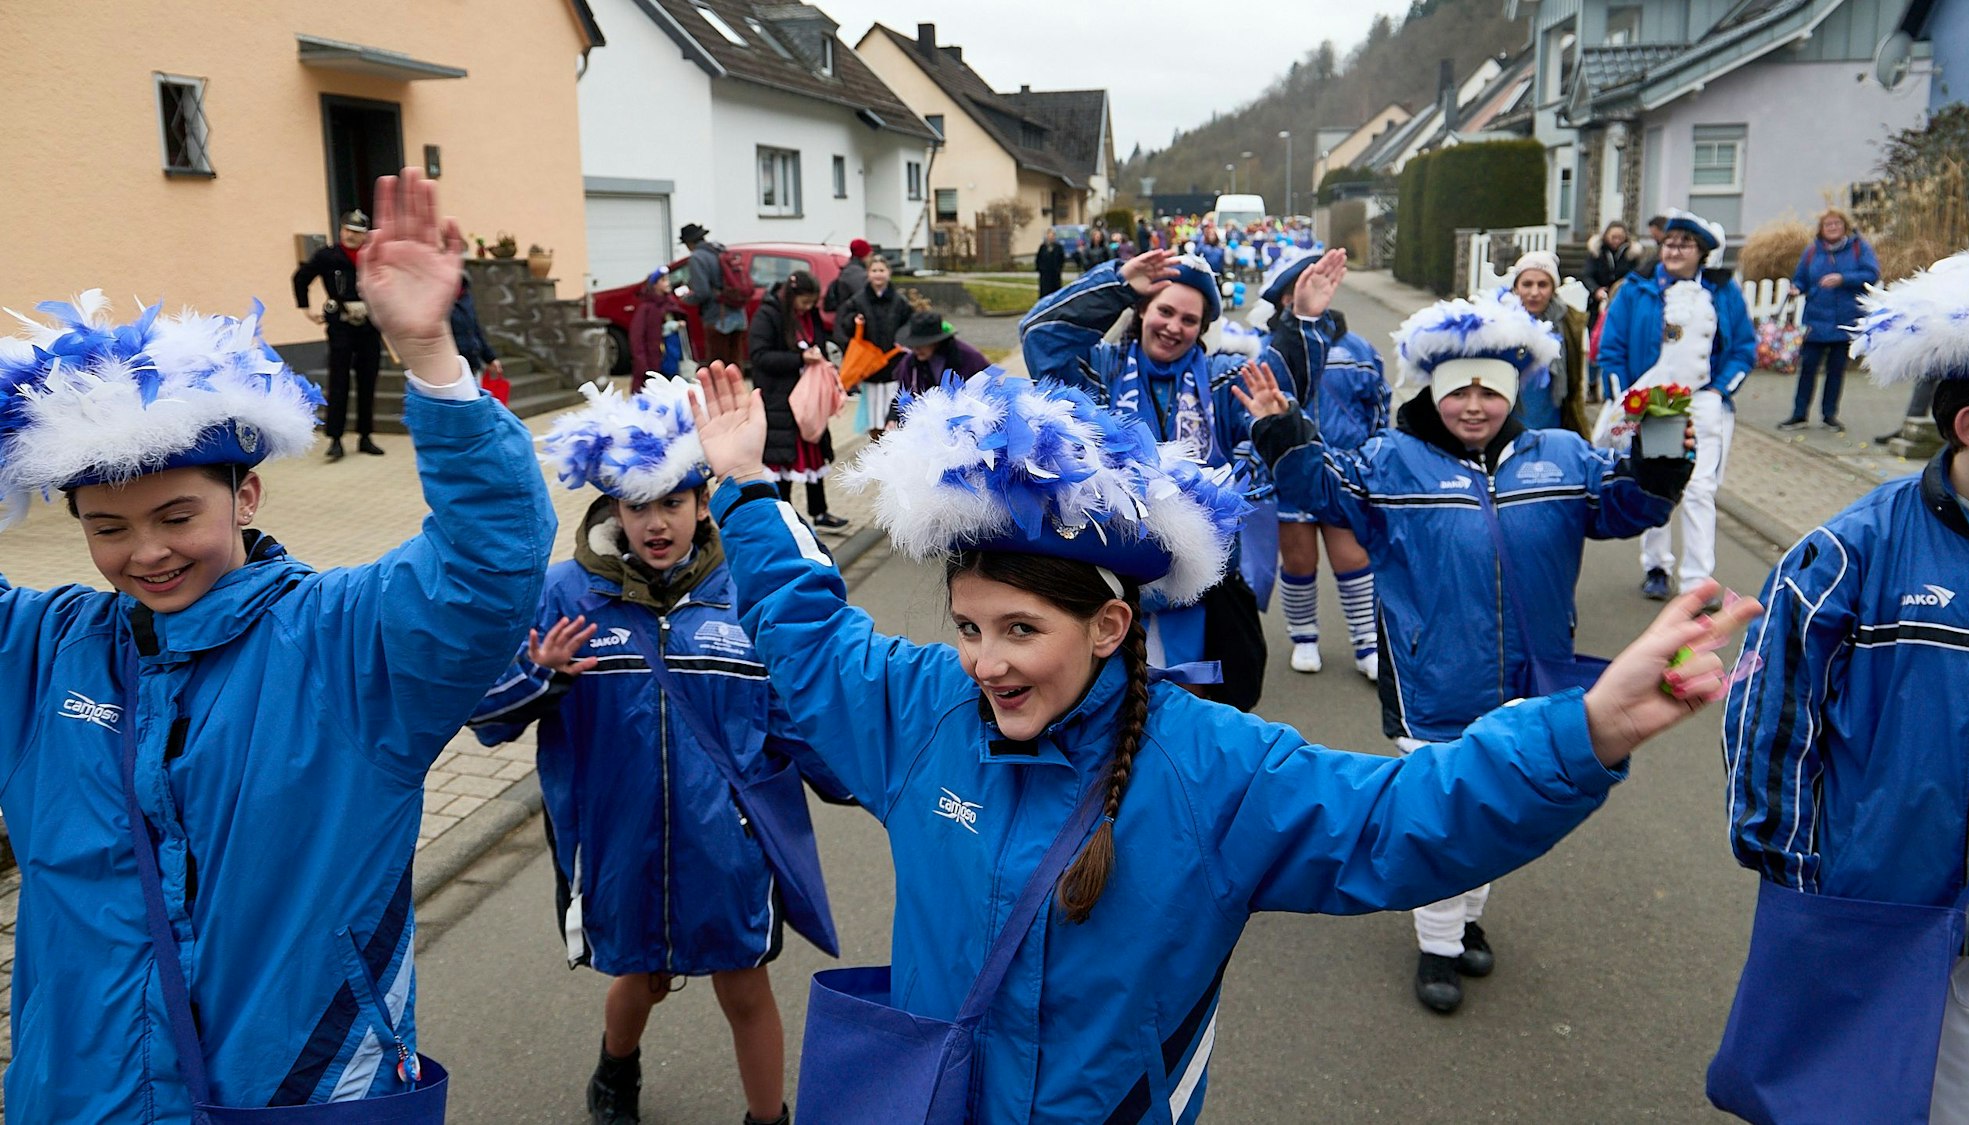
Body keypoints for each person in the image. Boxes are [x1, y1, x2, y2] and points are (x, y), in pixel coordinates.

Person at [681, 359, 1755, 1120]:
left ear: (1109, 629)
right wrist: (739, 481)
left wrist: (1582, 734)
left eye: (1020, 630)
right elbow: (810, 633)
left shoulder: (1209, 766)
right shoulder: (921, 711)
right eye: (965, 627)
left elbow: (1396, 823)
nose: (985, 662)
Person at [0, 167, 556, 1119]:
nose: (146, 552)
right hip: (78, 1088)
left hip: (293, 1085)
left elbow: (487, 565)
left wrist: (428, 353)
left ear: (246, 493)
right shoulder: (47, 647)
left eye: (178, 513)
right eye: (106, 527)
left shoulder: (342, 643)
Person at [1241, 291, 1692, 1015]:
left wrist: (1664, 446)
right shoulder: (1392, 462)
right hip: (1434, 677)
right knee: (1444, 809)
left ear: (1513, 392)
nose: (1474, 405)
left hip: (1533, 671)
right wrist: (1282, 430)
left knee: (1503, 800)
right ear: (1436, 392)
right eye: (1459, 391)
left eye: (1490, 390)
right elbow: (1322, 487)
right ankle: (1439, 944)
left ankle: (1463, 915)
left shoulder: (1561, 457)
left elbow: (1630, 505)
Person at [470, 376, 844, 1125]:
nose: (656, 522)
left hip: (730, 847)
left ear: (703, 502)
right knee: (639, 975)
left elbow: (799, 715)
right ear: (614, 507)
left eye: (673, 501)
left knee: (745, 986)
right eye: (638, 505)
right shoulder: (561, 596)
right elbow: (486, 716)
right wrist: (540, 677)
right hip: (620, 843)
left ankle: (769, 1118)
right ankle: (617, 1069)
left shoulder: (746, 593)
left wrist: (867, 777)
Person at [1721, 250, 1969, 1123]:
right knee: (1843, 1098)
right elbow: (1773, 709)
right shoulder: (1854, 549)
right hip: (1873, 894)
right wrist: (1797, 864)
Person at [1019, 249, 1347, 710]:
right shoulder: (1100, 369)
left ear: (1203, 329)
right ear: (1141, 311)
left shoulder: (1218, 379)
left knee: (1187, 713)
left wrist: (1304, 320)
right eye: (1165, 311)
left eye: (1189, 320)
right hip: (1105, 573)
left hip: (1198, 583)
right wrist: (1118, 283)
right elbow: (1041, 335)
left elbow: (1275, 391)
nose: (1174, 326)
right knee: (1104, 708)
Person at [1598, 207, 1754, 606]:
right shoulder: (1637, 289)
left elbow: (1742, 349)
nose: (1674, 249)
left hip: (1704, 399)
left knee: (1701, 489)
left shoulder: (1723, 291)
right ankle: (1656, 565)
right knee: (1657, 484)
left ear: (1701, 252)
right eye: (1669, 242)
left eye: (1684, 244)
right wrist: (1626, 396)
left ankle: (1698, 582)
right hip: (1658, 403)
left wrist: (1719, 391)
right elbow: (1612, 348)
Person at [1256, 249, 1390, 679]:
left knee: (1352, 558)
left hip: (1345, 469)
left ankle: (1367, 642)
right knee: (1298, 562)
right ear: (1281, 302)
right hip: (1290, 475)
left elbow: (1379, 403)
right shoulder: (1267, 352)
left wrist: (1373, 454)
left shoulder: (1358, 348)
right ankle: (1304, 637)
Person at [747, 269, 847, 530]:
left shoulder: (809, 315)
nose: (808, 307)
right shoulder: (768, 314)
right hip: (780, 400)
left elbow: (820, 344)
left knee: (813, 455)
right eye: (804, 302)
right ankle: (783, 519)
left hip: (808, 400)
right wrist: (799, 359)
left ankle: (820, 512)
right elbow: (759, 357)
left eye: (812, 303)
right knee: (784, 461)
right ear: (792, 297)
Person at [291, 208, 385, 460]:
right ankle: (335, 438)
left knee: (368, 379)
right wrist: (305, 308)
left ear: (365, 236)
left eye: (357, 233)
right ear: (341, 230)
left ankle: (366, 435)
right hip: (341, 324)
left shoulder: (374, 257)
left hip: (369, 324)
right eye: (347, 231)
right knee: (339, 381)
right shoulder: (328, 256)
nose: (351, 236)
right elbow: (301, 278)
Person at [1780, 208, 1880, 433]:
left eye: (1837, 224)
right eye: (1828, 225)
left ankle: (1829, 416)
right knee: (1808, 370)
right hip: (1816, 320)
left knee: (1836, 372)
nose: (1833, 228)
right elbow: (1801, 278)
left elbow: (1871, 274)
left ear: (1845, 226)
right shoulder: (1812, 251)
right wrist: (1797, 288)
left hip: (1845, 320)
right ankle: (1798, 415)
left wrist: (1843, 279)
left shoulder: (1858, 248)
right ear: (1821, 229)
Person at [1506, 250, 1591, 435]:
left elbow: (1576, 381)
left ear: (1553, 289)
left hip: (1554, 418)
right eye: (1527, 284)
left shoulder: (1569, 322)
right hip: (1510, 420)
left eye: (1542, 285)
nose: (1534, 292)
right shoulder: (1501, 323)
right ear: (1516, 288)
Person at [832, 254, 913, 441]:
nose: (878, 275)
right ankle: (875, 443)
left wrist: (902, 343)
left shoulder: (899, 302)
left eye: (882, 270)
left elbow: (908, 325)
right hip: (870, 368)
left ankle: (892, 446)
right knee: (873, 415)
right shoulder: (858, 300)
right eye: (874, 270)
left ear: (889, 273)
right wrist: (855, 322)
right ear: (868, 273)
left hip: (893, 365)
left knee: (893, 413)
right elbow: (844, 325)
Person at [887, 310, 990, 426]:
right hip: (928, 427)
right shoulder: (911, 362)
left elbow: (989, 391)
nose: (916, 349)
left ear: (936, 341)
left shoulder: (969, 358)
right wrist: (892, 418)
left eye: (921, 344)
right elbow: (903, 392)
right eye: (913, 344)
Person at [683, 222, 747, 367]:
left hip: (717, 317)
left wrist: (686, 299)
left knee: (718, 366)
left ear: (689, 243)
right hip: (738, 314)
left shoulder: (697, 258)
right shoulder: (720, 249)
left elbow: (702, 293)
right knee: (735, 363)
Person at [1582, 221, 1641, 330]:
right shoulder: (1597, 252)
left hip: (1623, 300)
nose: (1616, 241)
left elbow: (1636, 276)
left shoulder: (1631, 255)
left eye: (1620, 237)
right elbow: (1587, 275)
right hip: (1598, 302)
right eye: (1613, 237)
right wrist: (1596, 290)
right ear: (1606, 236)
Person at [450, 271, 501, 388]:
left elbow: (475, 330)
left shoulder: (466, 298)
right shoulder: (438, 303)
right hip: (452, 372)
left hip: (473, 365)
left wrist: (490, 358)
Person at [628, 265, 673, 390]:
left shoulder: (669, 305)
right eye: (663, 280)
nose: (668, 283)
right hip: (651, 364)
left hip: (669, 361)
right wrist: (642, 365)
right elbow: (636, 337)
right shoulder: (646, 309)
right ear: (654, 285)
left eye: (667, 280)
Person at [822, 238, 872, 316]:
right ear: (864, 256)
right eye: (870, 255)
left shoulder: (850, 271)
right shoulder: (857, 275)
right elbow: (864, 301)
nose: (871, 259)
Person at [1035, 229, 1067, 298]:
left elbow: (1062, 259)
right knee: (1045, 291)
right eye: (1049, 236)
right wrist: (1040, 269)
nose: (1051, 238)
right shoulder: (1043, 247)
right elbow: (1038, 259)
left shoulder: (1058, 247)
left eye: (1052, 236)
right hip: (1045, 275)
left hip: (1055, 274)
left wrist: (1059, 269)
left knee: (1055, 292)